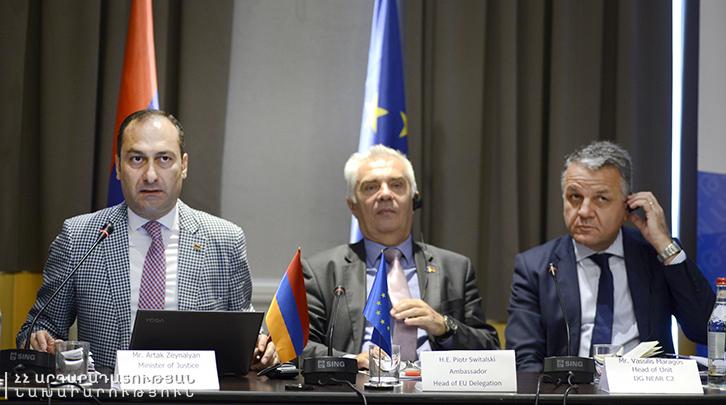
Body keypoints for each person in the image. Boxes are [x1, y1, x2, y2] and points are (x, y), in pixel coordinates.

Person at [18, 109, 276, 370]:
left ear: (184, 165)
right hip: (107, 391)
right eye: (137, 159)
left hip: (197, 391)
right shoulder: (79, 237)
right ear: (118, 167)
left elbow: (245, 336)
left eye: (164, 158)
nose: (150, 175)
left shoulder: (225, 239)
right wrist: (40, 341)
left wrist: (259, 349)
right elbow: (38, 327)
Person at [506, 140, 716, 371]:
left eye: (601, 199)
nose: (584, 211)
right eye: (575, 197)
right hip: (568, 389)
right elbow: (525, 360)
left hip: (646, 386)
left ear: (627, 207)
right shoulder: (534, 267)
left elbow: (704, 330)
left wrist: (664, 245)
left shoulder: (654, 256)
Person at [302, 145, 499, 369]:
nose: (385, 194)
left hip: (434, 387)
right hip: (357, 387)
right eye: (370, 187)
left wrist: (444, 326)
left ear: (413, 199)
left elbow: (490, 348)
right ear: (353, 205)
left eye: (396, 185)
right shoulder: (321, 272)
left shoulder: (456, 268)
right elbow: (296, 347)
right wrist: (352, 362)